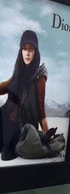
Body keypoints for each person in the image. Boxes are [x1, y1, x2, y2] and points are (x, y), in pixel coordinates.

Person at [0, 30, 49, 161]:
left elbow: (41, 112)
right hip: (11, 120)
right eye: (24, 49)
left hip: (25, 126)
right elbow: (5, 86)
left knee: (6, 153)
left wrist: (47, 137)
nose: (27, 53)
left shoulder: (39, 77)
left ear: (36, 52)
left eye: (31, 49)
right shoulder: (19, 73)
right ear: (20, 51)